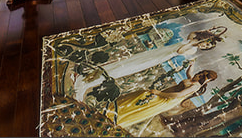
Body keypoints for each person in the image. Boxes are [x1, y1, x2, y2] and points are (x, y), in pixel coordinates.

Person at [72, 26, 227, 102]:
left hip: (158, 58)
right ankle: (87, 76)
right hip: (155, 53)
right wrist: (202, 37)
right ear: (205, 37)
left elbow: (180, 50)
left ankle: (89, 82)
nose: (204, 46)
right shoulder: (193, 37)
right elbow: (188, 40)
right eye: (206, 43)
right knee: (126, 63)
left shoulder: (192, 50)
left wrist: (197, 43)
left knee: (127, 69)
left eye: (206, 47)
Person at [108, 69, 218, 129]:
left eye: (201, 75)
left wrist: (159, 93)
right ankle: (115, 108)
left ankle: (117, 116)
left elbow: (178, 95)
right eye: (199, 73)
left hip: (167, 99)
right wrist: (191, 64)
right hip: (165, 95)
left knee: (144, 98)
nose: (198, 75)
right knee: (143, 94)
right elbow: (189, 74)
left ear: (204, 79)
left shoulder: (195, 86)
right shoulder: (193, 80)